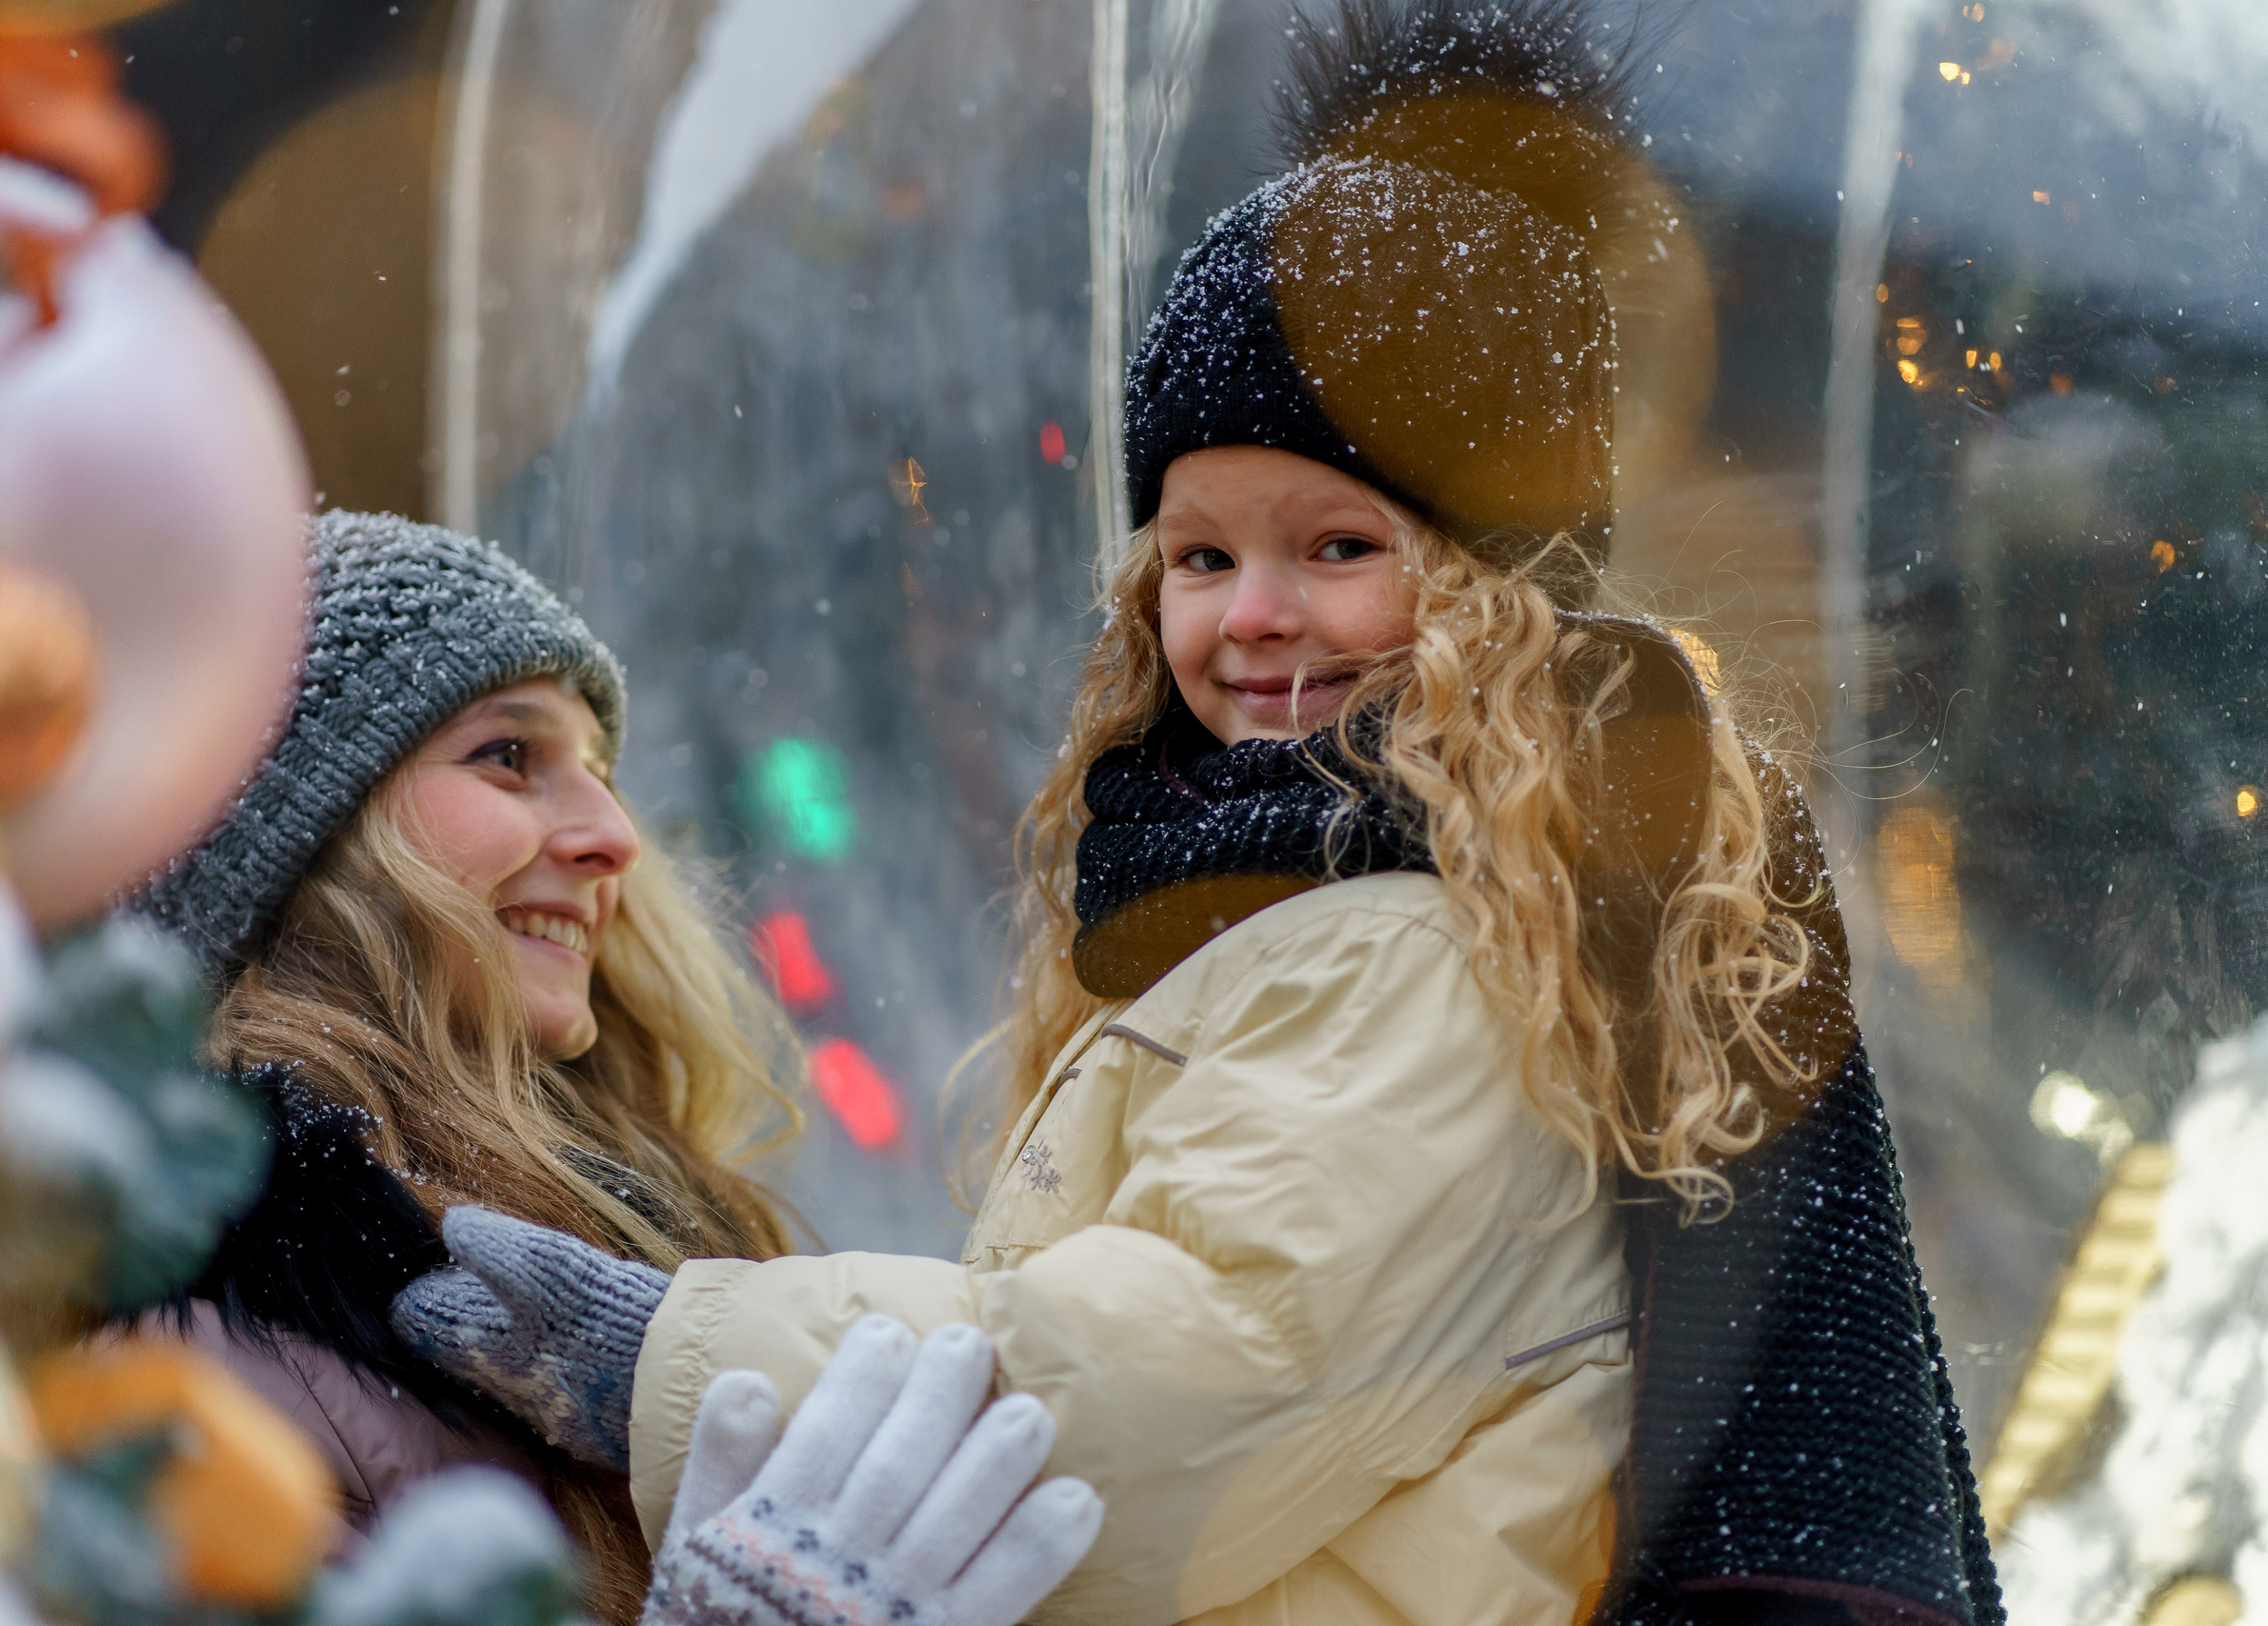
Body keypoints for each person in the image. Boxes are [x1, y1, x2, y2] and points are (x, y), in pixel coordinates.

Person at [391, 4, 2003, 1625]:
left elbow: (1172, 1383)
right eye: (1203, 553)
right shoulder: (1308, 900)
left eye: (1341, 547)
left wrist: (672, 1356)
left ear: (1502, 579)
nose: (1252, 616)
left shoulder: (1429, 953)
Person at [131, 511, 1098, 1626]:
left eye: (595, 769)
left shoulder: (613, 1228)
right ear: (291, 826)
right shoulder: (203, 1360)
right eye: (509, 755)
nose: (612, 833)